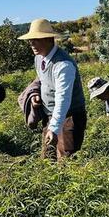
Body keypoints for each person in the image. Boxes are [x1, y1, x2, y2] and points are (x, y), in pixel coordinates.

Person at [18, 18, 87, 160]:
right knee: (48, 159)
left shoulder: (63, 65)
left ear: (49, 39)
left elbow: (63, 99)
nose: (32, 43)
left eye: (36, 39)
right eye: (30, 40)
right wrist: (36, 95)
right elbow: (42, 80)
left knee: (66, 160)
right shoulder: (39, 58)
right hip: (49, 115)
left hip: (70, 116)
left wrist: (54, 128)